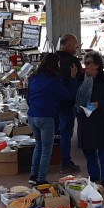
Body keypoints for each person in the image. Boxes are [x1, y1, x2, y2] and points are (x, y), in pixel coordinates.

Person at [27, 53, 78, 185]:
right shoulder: (53, 81)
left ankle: (33, 176)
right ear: (55, 65)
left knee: (38, 146)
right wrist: (73, 79)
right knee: (46, 150)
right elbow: (68, 95)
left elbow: (28, 98)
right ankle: (41, 179)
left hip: (32, 116)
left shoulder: (33, 78)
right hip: (46, 117)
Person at [76, 51, 104, 187]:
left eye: (89, 63)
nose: (86, 66)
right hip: (86, 120)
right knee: (88, 151)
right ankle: (93, 175)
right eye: (85, 63)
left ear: (97, 65)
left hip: (101, 121)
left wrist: (99, 104)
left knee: (103, 151)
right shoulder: (81, 80)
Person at [57, 34, 84, 174]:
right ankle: (66, 162)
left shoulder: (53, 60)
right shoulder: (73, 62)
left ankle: (52, 160)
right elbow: (79, 85)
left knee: (53, 133)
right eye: (75, 44)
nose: (77, 46)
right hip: (67, 103)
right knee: (66, 134)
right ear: (67, 45)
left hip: (53, 103)